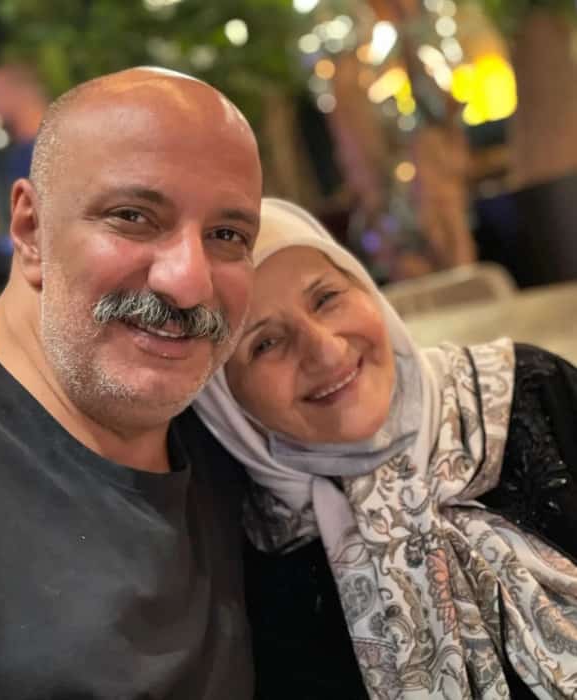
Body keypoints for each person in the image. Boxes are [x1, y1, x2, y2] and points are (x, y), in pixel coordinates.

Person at [0, 68, 262, 699]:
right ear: (31, 229)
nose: (190, 283)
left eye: (227, 235)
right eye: (134, 217)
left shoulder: (236, 442)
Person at [195, 197, 577, 699]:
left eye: (326, 298)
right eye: (265, 343)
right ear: (225, 399)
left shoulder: (525, 393)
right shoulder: (257, 567)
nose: (325, 350)